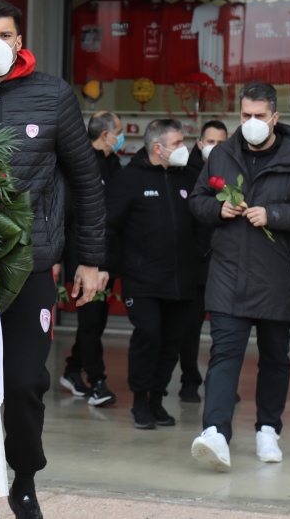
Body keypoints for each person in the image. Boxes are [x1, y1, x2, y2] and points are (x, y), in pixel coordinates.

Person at [0, 0, 105, 519]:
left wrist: (92, 259)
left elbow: (86, 181)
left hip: (31, 265)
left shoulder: (53, 95)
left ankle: (25, 478)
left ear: (19, 40)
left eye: (4, 34)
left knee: (27, 382)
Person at [189, 82, 290, 471]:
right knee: (224, 354)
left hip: (275, 275)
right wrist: (219, 211)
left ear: (275, 118)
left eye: (260, 116)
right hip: (228, 272)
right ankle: (215, 433)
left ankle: (268, 428)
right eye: (246, 115)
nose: (252, 123)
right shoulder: (221, 155)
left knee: (275, 356)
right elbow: (198, 201)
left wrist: (275, 214)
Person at [105, 119, 203, 430]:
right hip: (143, 279)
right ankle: (140, 401)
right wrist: (109, 267)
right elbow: (110, 227)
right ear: (158, 148)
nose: (183, 148)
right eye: (177, 143)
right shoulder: (129, 179)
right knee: (149, 335)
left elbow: (202, 224)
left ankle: (157, 399)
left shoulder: (191, 176)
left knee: (172, 341)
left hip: (182, 279)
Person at [60, 110, 122, 407]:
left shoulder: (114, 165)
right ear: (106, 135)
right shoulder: (82, 166)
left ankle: (73, 369)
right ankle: (97, 381)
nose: (120, 136)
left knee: (95, 320)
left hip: (106, 256)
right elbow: (72, 215)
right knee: (90, 316)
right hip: (84, 257)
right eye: (119, 130)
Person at [179, 120, 229, 403]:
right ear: (200, 144)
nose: (215, 148)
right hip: (196, 264)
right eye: (211, 142)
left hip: (225, 264)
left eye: (221, 143)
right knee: (190, 328)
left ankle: (222, 384)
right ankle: (189, 382)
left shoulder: (234, 171)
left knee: (226, 330)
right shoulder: (186, 174)